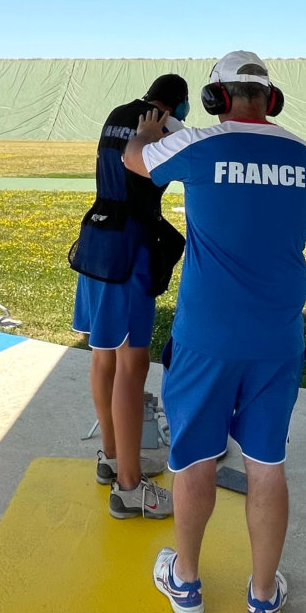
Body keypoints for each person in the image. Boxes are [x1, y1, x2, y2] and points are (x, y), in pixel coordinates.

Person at [123, 51, 306, 613]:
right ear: (270, 99)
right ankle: (263, 599)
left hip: (205, 341)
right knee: (266, 464)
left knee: (195, 460)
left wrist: (149, 131)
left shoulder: (197, 144)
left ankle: (187, 582)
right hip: (275, 341)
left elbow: (133, 160)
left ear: (216, 98)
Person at [70, 73, 190, 520]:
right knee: (132, 364)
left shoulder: (118, 113)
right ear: (176, 104)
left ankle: (114, 458)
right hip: (129, 250)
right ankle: (129, 487)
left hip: (97, 242)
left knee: (103, 356)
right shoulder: (164, 125)